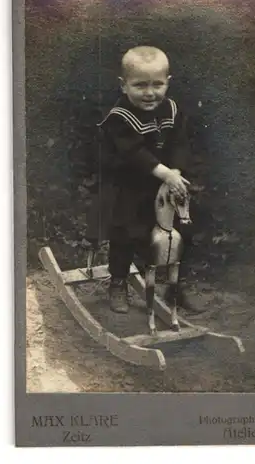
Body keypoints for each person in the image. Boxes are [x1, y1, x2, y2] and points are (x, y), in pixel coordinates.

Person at [86, 45, 199, 313]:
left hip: (164, 183)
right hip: (130, 185)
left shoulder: (171, 109)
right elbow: (134, 153)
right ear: (123, 85)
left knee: (181, 231)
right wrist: (167, 174)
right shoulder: (120, 117)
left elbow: (180, 144)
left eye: (157, 84)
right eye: (140, 85)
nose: (150, 93)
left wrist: (177, 173)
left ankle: (177, 284)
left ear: (167, 83)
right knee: (125, 234)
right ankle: (118, 282)